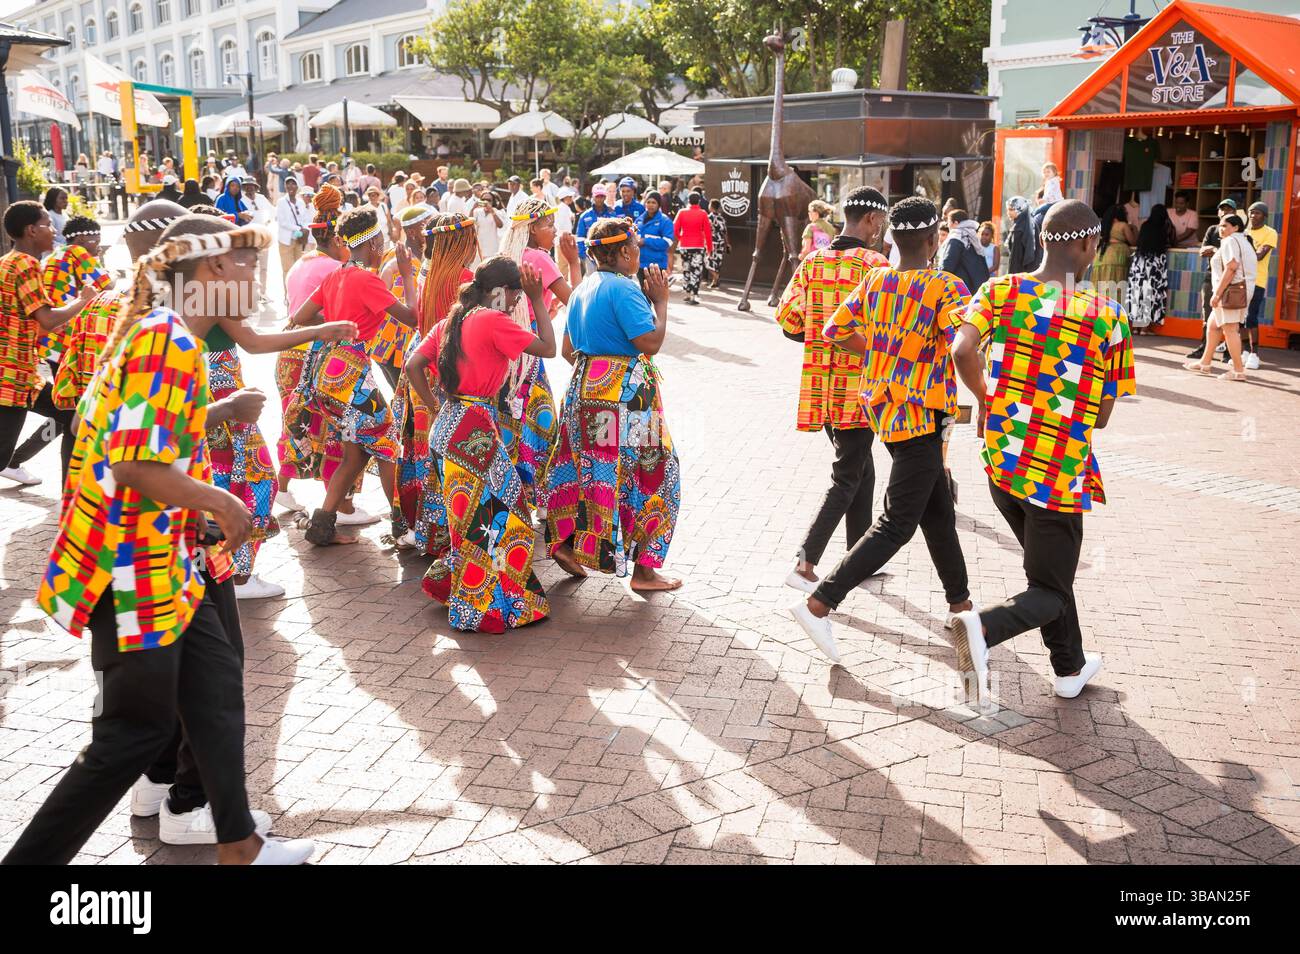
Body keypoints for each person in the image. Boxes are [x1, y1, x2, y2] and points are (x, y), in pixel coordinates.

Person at [3, 215, 316, 866]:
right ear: (208, 273)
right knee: (134, 735)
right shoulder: (168, 339)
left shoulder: (172, 337)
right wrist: (220, 498)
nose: (257, 278)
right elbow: (133, 464)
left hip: (165, 557)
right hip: (129, 566)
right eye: (244, 264)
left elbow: (141, 432)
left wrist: (216, 423)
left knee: (217, 686)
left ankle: (239, 843)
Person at [949, 199, 1136, 708]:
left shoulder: (1000, 290)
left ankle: (1069, 667)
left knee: (1049, 575)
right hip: (1057, 473)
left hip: (1002, 461)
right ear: (1087, 245)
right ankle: (980, 630)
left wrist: (989, 398)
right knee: (1051, 588)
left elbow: (962, 351)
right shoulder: (1107, 316)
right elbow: (1099, 417)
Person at [788, 197, 974, 664]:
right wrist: (985, 392)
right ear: (935, 241)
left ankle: (962, 606)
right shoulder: (944, 286)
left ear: (894, 238)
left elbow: (833, 330)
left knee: (937, 513)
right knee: (896, 524)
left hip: (886, 415)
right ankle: (819, 603)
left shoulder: (877, 279)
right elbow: (964, 343)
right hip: (920, 416)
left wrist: (878, 352)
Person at [406, 256, 554, 631]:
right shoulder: (493, 320)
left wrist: (433, 404)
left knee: (474, 519)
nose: (519, 301)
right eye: (517, 294)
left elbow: (411, 366)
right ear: (500, 293)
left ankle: (471, 594)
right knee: (502, 517)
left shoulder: (451, 320)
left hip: (448, 425)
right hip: (474, 430)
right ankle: (481, 608)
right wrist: (539, 299)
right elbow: (548, 348)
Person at [545, 217, 682, 592]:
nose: (639, 253)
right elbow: (649, 343)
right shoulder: (625, 289)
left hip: (582, 392)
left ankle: (572, 546)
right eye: (636, 247)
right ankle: (645, 572)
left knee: (592, 475)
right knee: (654, 474)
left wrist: (598, 368)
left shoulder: (582, 288)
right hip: (627, 399)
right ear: (623, 252)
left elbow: (568, 351)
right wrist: (661, 302)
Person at [775, 186, 890, 595]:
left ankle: (858, 557)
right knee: (847, 476)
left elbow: (788, 319)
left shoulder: (813, 263)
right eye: (883, 222)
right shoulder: (876, 266)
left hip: (823, 391)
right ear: (873, 220)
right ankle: (805, 562)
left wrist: (818, 343)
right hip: (861, 389)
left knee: (861, 468)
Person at [286, 207, 419, 545]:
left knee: (356, 452)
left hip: (324, 369)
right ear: (374, 243)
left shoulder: (336, 275)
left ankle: (321, 525)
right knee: (387, 442)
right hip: (349, 372)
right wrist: (407, 274)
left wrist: (335, 329)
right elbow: (413, 318)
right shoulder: (366, 279)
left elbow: (300, 317)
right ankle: (404, 529)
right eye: (382, 241)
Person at [387, 212, 478, 551]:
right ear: (461, 241)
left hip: (421, 366)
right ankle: (441, 534)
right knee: (447, 455)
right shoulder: (466, 277)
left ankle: (417, 525)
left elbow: (415, 318)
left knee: (420, 450)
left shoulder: (430, 273)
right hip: (447, 370)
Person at [0, 203, 97, 487]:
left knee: (70, 415)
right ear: (31, 230)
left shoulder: (8, 262)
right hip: (12, 379)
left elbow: (38, 324)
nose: (53, 230)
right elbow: (46, 317)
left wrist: (63, 322)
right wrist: (83, 301)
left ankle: (71, 497)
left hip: (23, 377)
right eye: (47, 224)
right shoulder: (27, 264)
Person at [497, 198, 578, 496]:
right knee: (541, 419)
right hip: (529, 349)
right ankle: (541, 492)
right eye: (548, 225)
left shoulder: (506, 256)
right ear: (531, 229)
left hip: (505, 347)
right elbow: (577, 301)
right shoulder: (540, 259)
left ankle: (514, 488)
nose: (554, 231)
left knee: (510, 415)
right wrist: (574, 262)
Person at [1185, 213, 1254, 381]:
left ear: (1236, 227)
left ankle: (1238, 371)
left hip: (1230, 292)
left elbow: (1231, 267)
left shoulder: (1231, 241)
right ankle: (1205, 363)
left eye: (1225, 226)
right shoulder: (1241, 240)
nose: (1221, 229)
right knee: (1213, 326)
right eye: (1220, 225)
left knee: (1230, 329)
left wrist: (1217, 293)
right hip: (1237, 290)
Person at [1187, 199, 1239, 360]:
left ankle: (1229, 353)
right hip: (1211, 278)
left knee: (1230, 319)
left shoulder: (1238, 235)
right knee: (1207, 314)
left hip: (1232, 281)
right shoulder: (1212, 230)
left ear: (1234, 213)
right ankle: (1204, 349)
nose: (1224, 212)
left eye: (1228, 209)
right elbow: (1202, 251)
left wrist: (1215, 251)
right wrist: (1215, 249)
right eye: (1221, 209)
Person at [1127, 203, 1173, 333]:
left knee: (1138, 293)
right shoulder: (1164, 228)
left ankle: (1135, 328)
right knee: (1150, 294)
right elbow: (1171, 242)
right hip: (1155, 264)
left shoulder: (1145, 226)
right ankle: (1145, 328)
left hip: (1140, 262)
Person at [1243, 201, 1276, 367]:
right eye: (1251, 212)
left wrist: (1244, 247)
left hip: (1257, 280)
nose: (1253, 215)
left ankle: (1254, 354)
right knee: (1240, 316)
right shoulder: (1243, 232)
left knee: (1251, 317)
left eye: (1257, 213)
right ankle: (1244, 351)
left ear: (1264, 215)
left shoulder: (1270, 233)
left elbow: (1260, 256)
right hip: (1240, 279)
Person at [673, 193, 713, 304]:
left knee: (686, 268)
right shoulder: (703, 213)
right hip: (698, 245)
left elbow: (675, 228)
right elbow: (708, 232)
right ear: (699, 201)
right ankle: (694, 294)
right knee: (696, 270)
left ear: (688, 201)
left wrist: (681, 238)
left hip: (685, 245)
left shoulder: (682, 212)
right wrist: (710, 248)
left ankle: (687, 292)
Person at [936, 210, 990, 294]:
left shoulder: (956, 238)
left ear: (956, 223)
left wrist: (937, 273)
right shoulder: (973, 236)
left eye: (949, 222)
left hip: (961, 289)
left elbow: (947, 266)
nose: (947, 225)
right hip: (977, 287)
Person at [274, 175, 312, 288]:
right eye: (288, 183)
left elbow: (306, 219)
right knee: (287, 269)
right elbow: (283, 222)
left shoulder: (300, 202)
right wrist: (299, 229)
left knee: (298, 268)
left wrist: (305, 228)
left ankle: (296, 292)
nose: (291, 186)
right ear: (285, 186)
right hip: (286, 240)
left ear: (297, 186)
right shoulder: (281, 202)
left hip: (299, 240)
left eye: (293, 183)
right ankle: (288, 295)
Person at [1091, 204, 1136, 297]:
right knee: (1115, 287)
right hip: (1117, 256)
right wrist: (1134, 229)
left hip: (1101, 256)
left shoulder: (1105, 226)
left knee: (1100, 288)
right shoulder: (1123, 225)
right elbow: (1133, 242)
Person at [576, 184, 618, 276]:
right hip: (590, 256)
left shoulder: (612, 214)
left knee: (609, 280)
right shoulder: (585, 216)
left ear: (605, 197)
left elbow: (616, 235)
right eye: (597, 196)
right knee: (593, 282)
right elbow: (580, 237)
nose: (600, 199)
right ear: (593, 197)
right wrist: (583, 255)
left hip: (609, 256)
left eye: (602, 196)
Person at [636, 192, 675, 284]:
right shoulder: (639, 220)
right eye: (648, 202)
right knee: (643, 294)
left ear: (658, 205)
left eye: (653, 202)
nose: (650, 205)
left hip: (658, 265)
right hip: (641, 265)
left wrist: (645, 241)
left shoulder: (665, 221)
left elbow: (667, 242)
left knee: (655, 296)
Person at [1004, 196, 1039, 273]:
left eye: (1011, 209)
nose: (1008, 212)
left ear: (1020, 209)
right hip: (1033, 271)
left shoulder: (1018, 229)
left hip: (1020, 275)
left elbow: (1015, 259)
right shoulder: (1032, 224)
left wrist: (1011, 277)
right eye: (1008, 209)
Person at [706, 198, 730, 288]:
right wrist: (728, 243)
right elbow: (725, 232)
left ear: (711, 207)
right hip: (721, 242)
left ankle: (716, 277)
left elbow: (706, 230)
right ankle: (715, 281)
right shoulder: (721, 218)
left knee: (708, 261)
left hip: (712, 241)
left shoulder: (709, 218)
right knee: (717, 261)